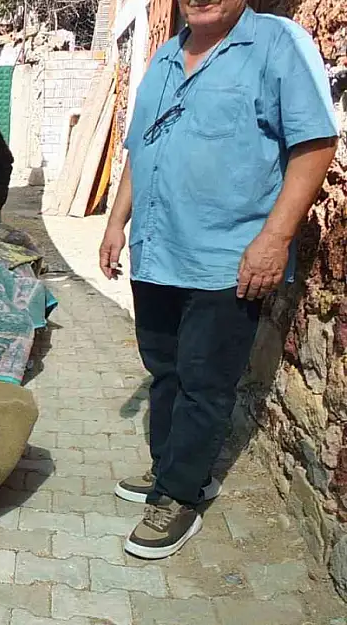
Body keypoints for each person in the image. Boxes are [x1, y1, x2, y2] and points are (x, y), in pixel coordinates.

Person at [99, 0, 336, 560]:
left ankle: (180, 498)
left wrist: (275, 239)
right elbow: (140, 149)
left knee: (205, 382)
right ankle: (171, 472)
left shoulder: (279, 44)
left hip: (224, 261)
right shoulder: (161, 57)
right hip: (156, 253)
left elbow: (315, 144)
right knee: (165, 372)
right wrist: (115, 223)